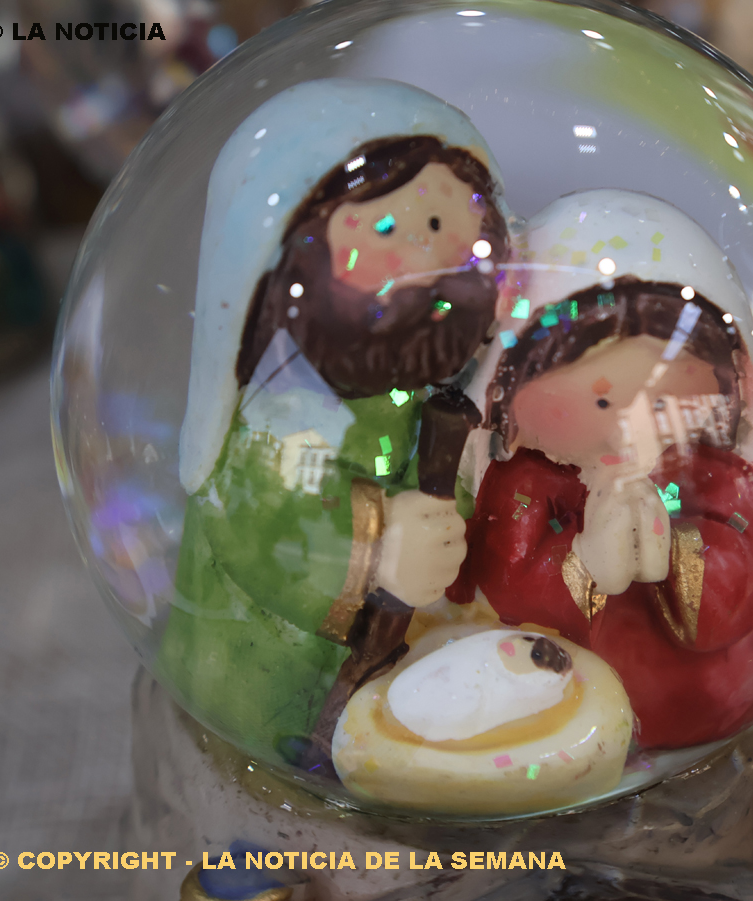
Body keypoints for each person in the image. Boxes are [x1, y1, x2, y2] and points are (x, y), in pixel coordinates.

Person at [157, 79, 509, 766]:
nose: (426, 262)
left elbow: (448, 495)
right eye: (386, 231)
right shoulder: (281, 410)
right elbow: (265, 530)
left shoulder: (423, 395)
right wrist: (377, 549)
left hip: (393, 682)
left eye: (447, 232)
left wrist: (449, 518)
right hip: (265, 686)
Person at [450, 190, 753, 749]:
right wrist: (583, 563)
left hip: (698, 707)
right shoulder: (526, 484)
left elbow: (744, 580)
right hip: (559, 718)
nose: (629, 424)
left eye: (660, 400)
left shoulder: (714, 478)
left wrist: (678, 554)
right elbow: (503, 586)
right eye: (600, 400)